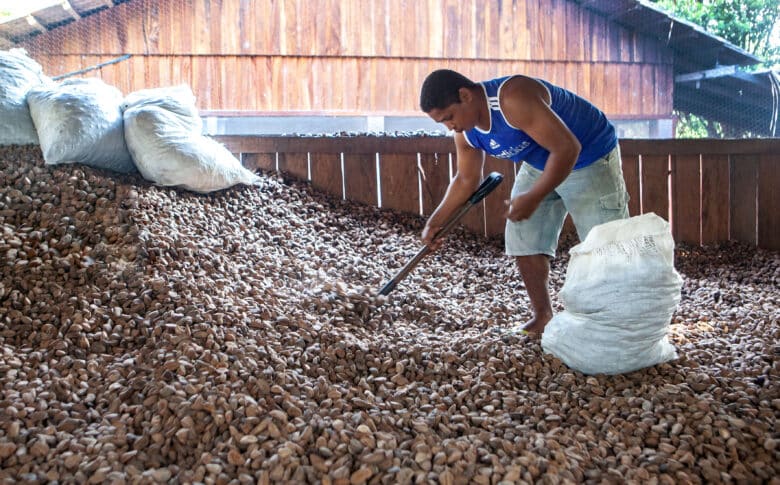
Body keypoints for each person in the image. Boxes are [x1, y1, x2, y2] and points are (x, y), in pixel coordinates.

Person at [419, 69, 629, 335]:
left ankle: (619, 325)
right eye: (442, 123)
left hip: (589, 154)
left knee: (607, 244)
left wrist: (534, 197)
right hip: (540, 159)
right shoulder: (466, 132)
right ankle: (543, 316)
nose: (450, 127)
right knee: (523, 237)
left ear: (465, 95)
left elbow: (568, 149)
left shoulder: (512, 99)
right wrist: (435, 222)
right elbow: (465, 179)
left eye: (449, 117)